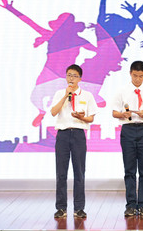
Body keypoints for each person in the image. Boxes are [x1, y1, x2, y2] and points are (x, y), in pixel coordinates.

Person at [111, 61, 143, 217]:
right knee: (129, 170)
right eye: (135, 75)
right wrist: (123, 114)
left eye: (141, 76)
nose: (138, 79)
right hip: (128, 130)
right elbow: (114, 112)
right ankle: (130, 205)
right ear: (130, 73)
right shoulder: (122, 91)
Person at [49, 64, 98, 219]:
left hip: (78, 135)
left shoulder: (87, 95)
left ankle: (79, 208)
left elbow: (91, 118)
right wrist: (65, 96)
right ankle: (61, 208)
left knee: (79, 172)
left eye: (75, 76)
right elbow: (53, 112)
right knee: (61, 173)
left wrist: (82, 117)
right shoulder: (59, 93)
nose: (71, 78)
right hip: (62, 135)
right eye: (69, 75)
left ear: (80, 79)